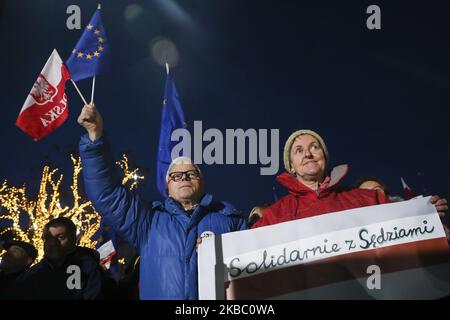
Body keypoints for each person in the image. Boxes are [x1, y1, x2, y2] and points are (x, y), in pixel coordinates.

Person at [77, 103, 247, 300]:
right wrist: (94, 137)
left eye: (191, 173)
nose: (183, 178)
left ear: (202, 182)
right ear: (168, 186)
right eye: (176, 176)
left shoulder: (230, 219)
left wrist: (221, 257)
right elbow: (106, 194)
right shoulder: (147, 221)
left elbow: (252, 273)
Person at [252, 129, 448, 228]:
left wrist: (424, 214)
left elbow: (401, 224)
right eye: (299, 150)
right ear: (292, 167)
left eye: (314, 147)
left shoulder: (367, 199)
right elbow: (245, 252)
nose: (308, 154)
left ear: (324, 157)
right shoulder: (274, 216)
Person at [8, 217, 106, 300]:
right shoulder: (32, 274)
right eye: (48, 237)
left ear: (73, 240)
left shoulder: (88, 268)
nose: (52, 243)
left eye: (60, 237)